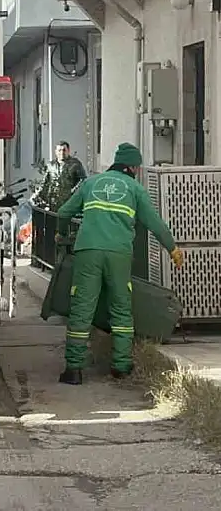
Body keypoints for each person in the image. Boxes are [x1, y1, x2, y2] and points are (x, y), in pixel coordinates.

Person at [55, 143, 183, 385]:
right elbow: (155, 223)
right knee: (121, 309)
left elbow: (63, 212)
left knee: (82, 308)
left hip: (88, 252)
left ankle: (73, 370)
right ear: (134, 167)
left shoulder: (91, 183)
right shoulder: (135, 189)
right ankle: (121, 367)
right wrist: (172, 249)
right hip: (118, 254)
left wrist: (61, 236)